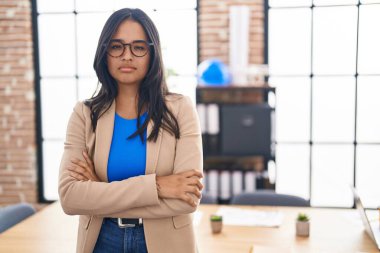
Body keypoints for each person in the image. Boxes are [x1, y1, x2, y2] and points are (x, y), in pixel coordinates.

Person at [58, 8, 203, 253]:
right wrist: (158, 187)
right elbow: (70, 197)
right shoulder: (84, 114)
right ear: (105, 53)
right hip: (102, 240)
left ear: (152, 53)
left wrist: (99, 191)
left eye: (138, 47)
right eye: (117, 46)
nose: (127, 56)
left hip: (167, 242)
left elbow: (186, 199)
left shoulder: (180, 109)